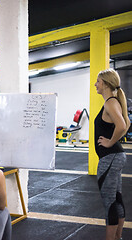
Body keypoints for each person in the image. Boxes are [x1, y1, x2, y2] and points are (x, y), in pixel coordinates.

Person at [94, 68, 130, 240]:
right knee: (115, 198)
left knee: (109, 202)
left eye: (98, 81)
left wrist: (110, 142)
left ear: (106, 84)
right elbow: (126, 123)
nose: (96, 84)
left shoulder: (110, 102)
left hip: (110, 157)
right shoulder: (113, 102)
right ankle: (118, 237)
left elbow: (122, 126)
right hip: (115, 157)